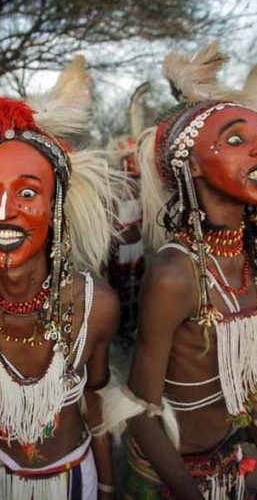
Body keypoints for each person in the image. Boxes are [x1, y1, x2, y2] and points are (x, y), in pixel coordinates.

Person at [103, 41, 257, 499]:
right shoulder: (175, 273)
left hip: (228, 459)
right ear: (192, 166)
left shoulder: (247, 255)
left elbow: (231, 369)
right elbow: (138, 410)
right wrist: (187, 490)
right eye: (238, 140)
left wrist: (248, 421)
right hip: (174, 476)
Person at [0, 57, 122, 499]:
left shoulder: (97, 306)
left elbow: (95, 398)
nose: (3, 212)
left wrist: (110, 485)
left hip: (75, 479)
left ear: (56, 207)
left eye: (26, 192)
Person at [106, 83, 149, 348]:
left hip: (137, 246)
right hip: (119, 249)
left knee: (138, 286)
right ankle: (120, 329)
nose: (135, 164)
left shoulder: (143, 185)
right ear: (122, 161)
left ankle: (133, 325)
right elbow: (108, 222)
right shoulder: (114, 187)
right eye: (131, 160)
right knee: (120, 289)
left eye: (137, 159)